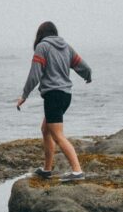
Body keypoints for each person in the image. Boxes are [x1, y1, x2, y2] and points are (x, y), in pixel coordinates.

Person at [16, 21, 92, 181]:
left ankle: (77, 171)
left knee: (57, 135)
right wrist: (87, 76)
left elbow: (34, 74)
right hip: (65, 95)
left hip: (53, 95)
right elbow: (83, 66)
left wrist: (24, 95)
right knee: (46, 129)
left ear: (40, 34)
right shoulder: (66, 46)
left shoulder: (42, 47)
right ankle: (47, 170)